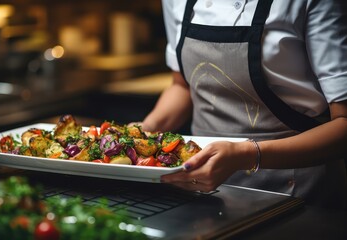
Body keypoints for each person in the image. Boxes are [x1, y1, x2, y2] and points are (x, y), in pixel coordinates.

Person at [137, 0, 347, 209]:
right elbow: (183, 86)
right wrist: (142, 132)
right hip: (199, 191)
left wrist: (246, 155)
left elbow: (343, 123)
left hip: (295, 193)